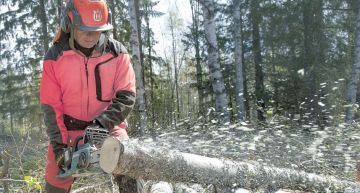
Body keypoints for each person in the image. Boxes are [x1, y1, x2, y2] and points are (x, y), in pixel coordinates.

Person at [39, 0, 143, 192]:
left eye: (96, 30)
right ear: (69, 24)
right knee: (55, 182)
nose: (91, 36)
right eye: (85, 29)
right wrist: (60, 147)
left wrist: (101, 125)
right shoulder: (54, 58)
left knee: (129, 166)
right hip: (68, 132)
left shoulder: (117, 53)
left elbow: (126, 96)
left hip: (108, 127)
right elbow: (51, 108)